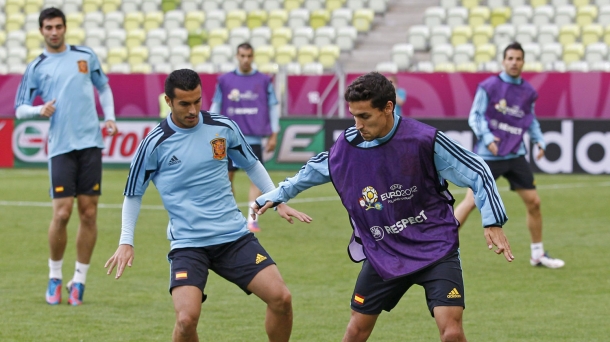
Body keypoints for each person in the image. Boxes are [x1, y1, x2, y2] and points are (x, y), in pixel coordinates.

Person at [253, 72, 514, 342]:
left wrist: (492, 220)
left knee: (451, 332)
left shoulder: (424, 140)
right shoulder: (347, 146)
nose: (358, 124)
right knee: (356, 330)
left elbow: (478, 169)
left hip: (435, 246)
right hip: (384, 250)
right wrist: (276, 194)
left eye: (364, 116)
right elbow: (312, 170)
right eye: (353, 116)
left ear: (388, 108)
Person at [105, 69, 311, 342]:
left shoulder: (222, 127)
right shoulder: (154, 144)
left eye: (197, 101)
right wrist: (125, 240)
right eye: (184, 104)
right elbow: (133, 194)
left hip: (233, 238)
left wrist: (277, 199)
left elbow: (251, 164)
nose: (193, 110)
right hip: (189, 244)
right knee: (186, 320)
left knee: (281, 298)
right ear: (168, 101)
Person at [14, 7, 118, 306]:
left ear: (65, 27)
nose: (54, 31)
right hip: (60, 147)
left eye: (59, 26)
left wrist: (109, 116)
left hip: (90, 145)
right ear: (41, 30)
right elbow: (20, 106)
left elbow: (104, 86)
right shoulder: (37, 66)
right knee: (61, 214)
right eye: (48, 27)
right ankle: (55, 276)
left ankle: (80, 281)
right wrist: (38, 110)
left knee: (88, 213)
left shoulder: (85, 55)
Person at [453, 42, 565, 269]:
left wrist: (539, 141)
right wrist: (487, 138)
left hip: (514, 156)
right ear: (503, 61)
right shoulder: (489, 86)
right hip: (489, 156)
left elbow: (529, 120)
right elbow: (475, 116)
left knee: (534, 202)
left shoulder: (528, 92)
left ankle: (537, 254)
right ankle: (437, 250)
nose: (514, 62)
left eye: (518, 59)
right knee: (470, 202)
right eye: (510, 58)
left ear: (523, 62)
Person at [210, 42, 280, 233]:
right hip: (228, 138)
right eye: (242, 56)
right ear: (237, 56)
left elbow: (273, 107)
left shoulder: (264, 80)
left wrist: (274, 133)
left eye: (249, 56)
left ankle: (252, 219)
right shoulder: (225, 80)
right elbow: (216, 105)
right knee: (225, 178)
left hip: (254, 138)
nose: (246, 59)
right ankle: (231, 217)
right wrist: (209, 128)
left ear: (253, 56)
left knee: (255, 179)